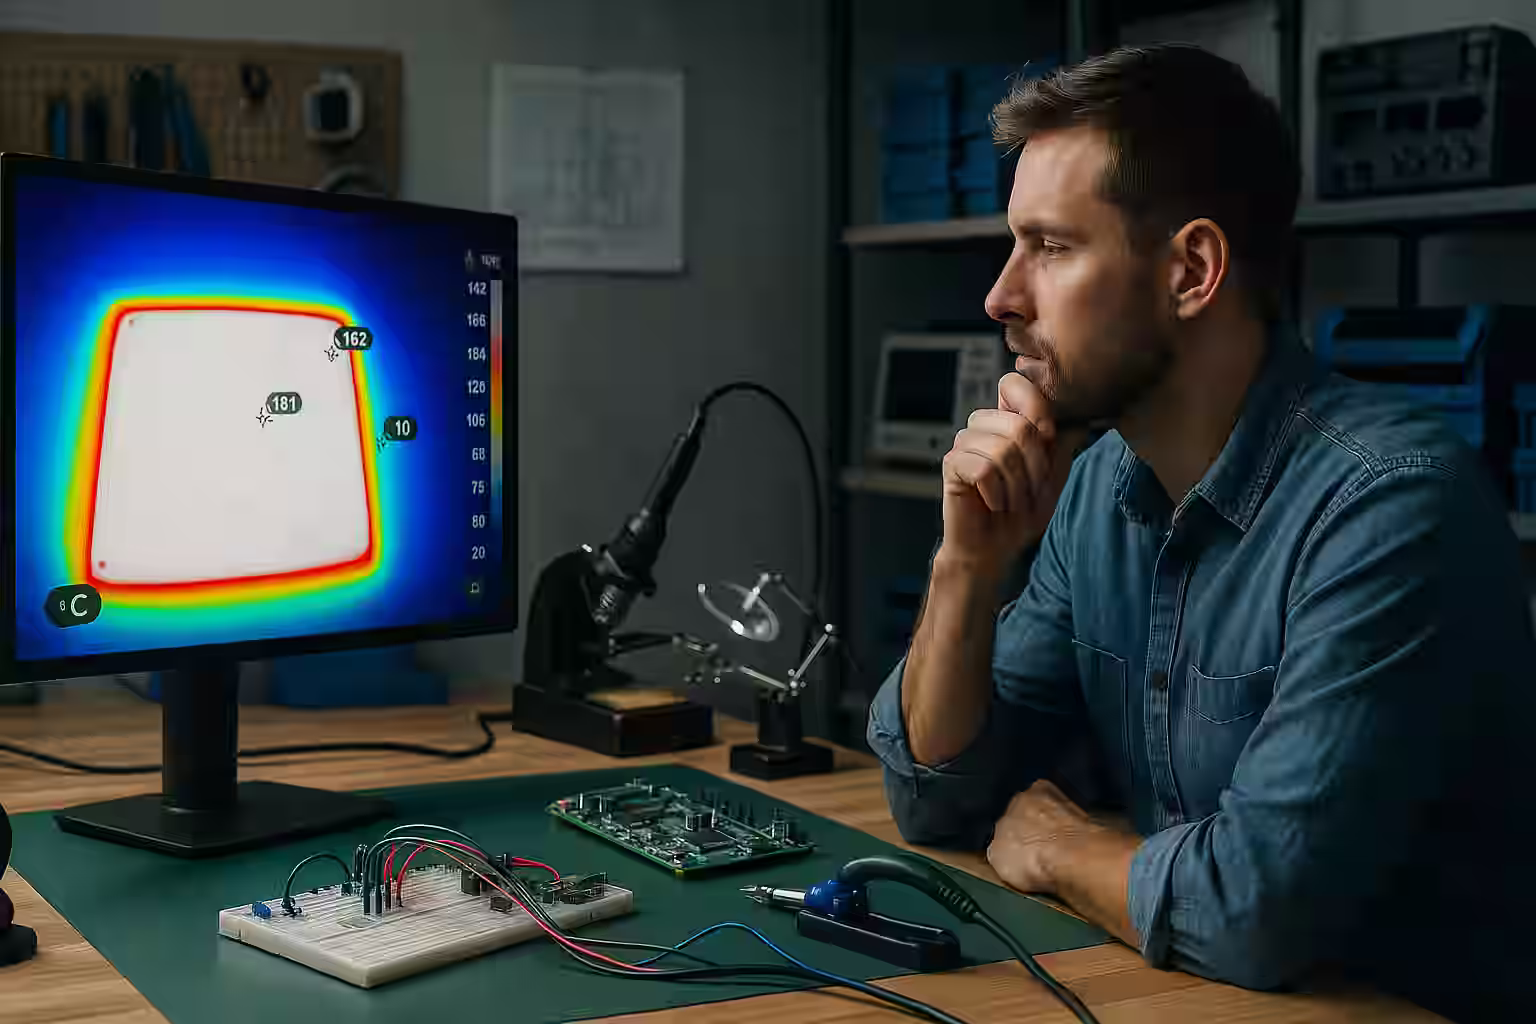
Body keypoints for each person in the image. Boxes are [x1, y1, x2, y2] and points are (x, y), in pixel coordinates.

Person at [866, 43, 1534, 1023]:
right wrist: (966, 564)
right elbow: (937, 795)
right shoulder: (1098, 486)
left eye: (1051, 247)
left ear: (1191, 270)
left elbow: (1256, 908)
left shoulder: (1391, 507)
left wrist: (1064, 849)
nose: (1001, 296)